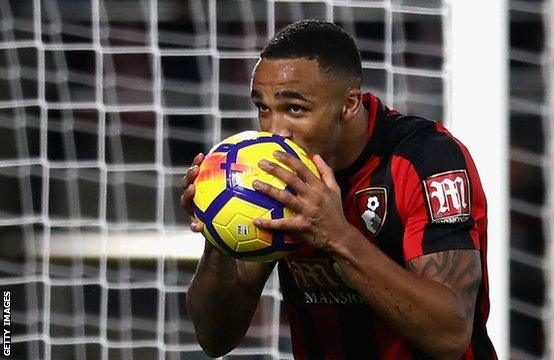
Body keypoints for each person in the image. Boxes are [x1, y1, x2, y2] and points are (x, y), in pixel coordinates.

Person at [181, 20, 496, 360]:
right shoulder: (272, 175)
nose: (276, 131)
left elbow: (450, 335)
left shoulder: (425, 159)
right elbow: (215, 339)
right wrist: (217, 231)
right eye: (263, 108)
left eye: (295, 109)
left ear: (348, 104)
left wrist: (336, 236)